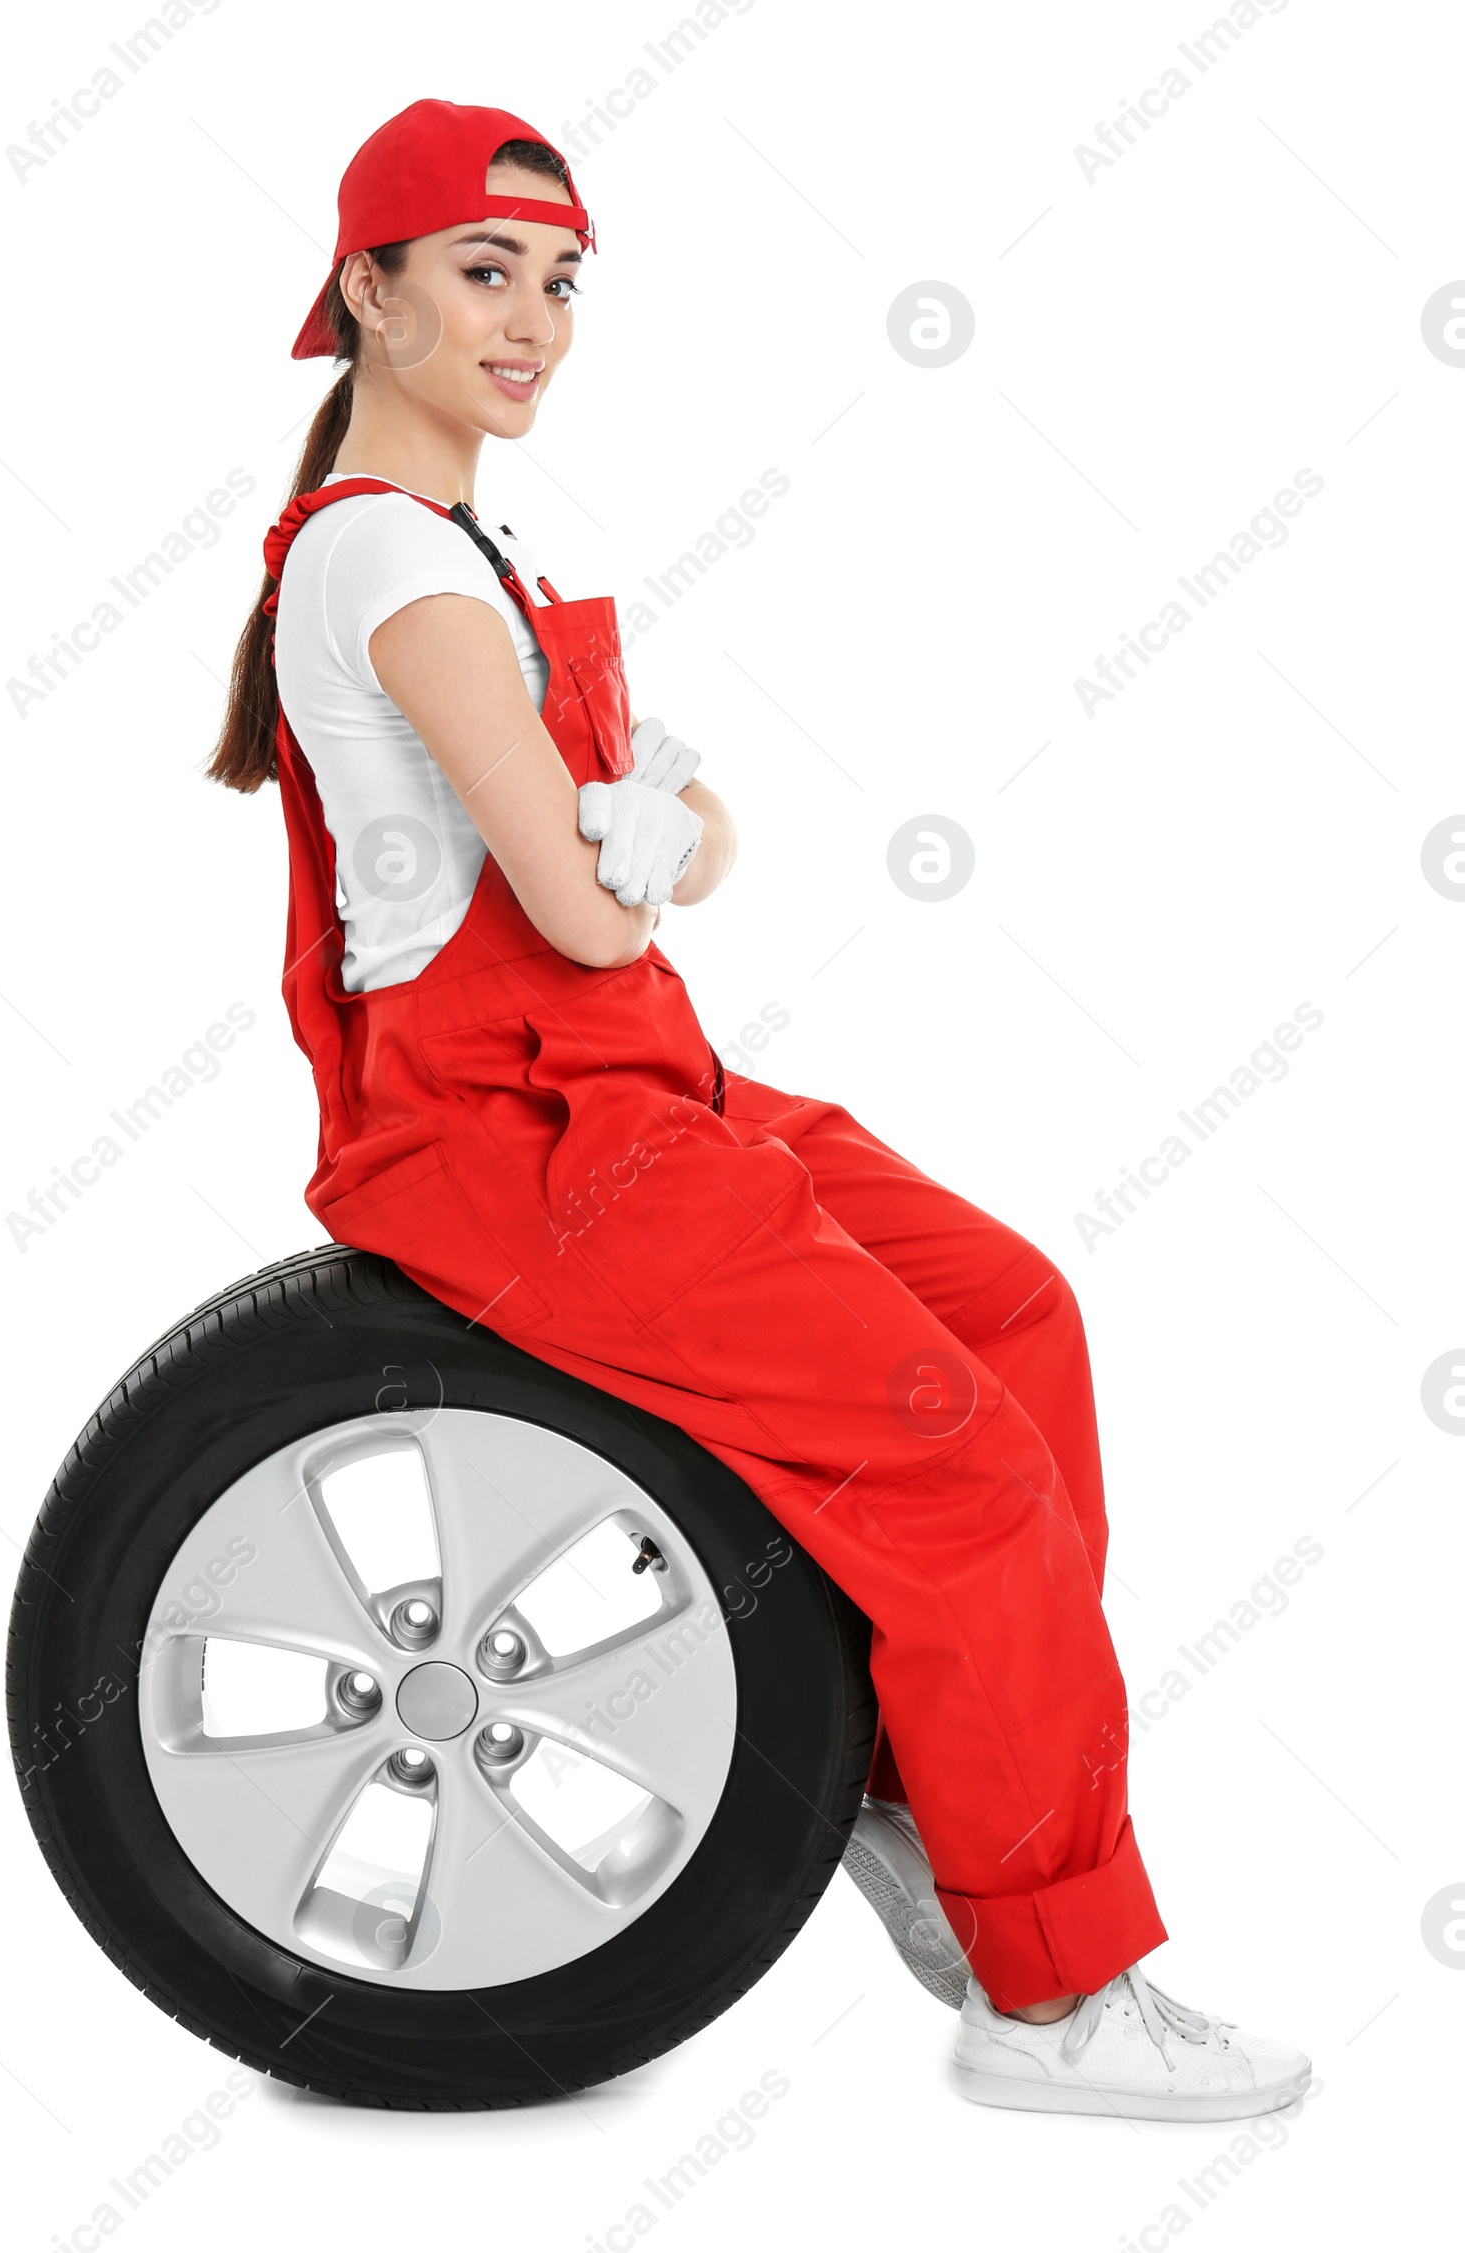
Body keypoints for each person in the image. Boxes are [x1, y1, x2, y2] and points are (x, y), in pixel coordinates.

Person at [208, 98, 1309, 2123]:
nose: (530, 320)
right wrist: (646, 828)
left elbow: (669, 856)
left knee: (1009, 1308)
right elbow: (584, 885)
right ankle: (1054, 1995)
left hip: (635, 1072)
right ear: (364, 286)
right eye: (480, 271)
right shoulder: (391, 567)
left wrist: (648, 832)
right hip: (510, 1131)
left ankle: (910, 1802)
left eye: (556, 281)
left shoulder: (475, 547)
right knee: (960, 1473)